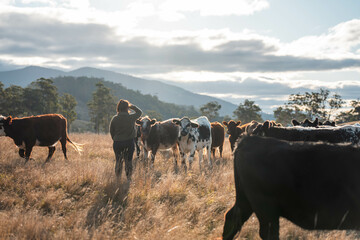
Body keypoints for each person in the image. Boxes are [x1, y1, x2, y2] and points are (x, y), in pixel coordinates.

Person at [109, 99, 142, 181]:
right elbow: (140, 112)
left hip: (117, 143)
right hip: (129, 142)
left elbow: (111, 131)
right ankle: (128, 179)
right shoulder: (131, 117)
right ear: (127, 108)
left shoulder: (115, 118)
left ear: (118, 108)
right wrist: (131, 106)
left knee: (118, 161)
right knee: (128, 161)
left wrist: (115, 139)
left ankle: (118, 179)